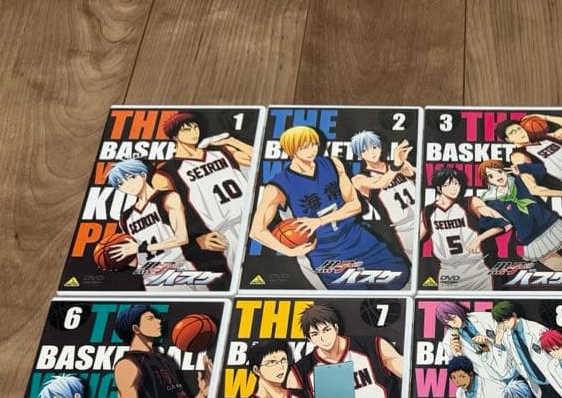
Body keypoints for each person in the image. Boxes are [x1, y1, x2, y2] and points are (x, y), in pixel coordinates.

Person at [250, 125, 408, 290]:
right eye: (304, 147)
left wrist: (320, 221)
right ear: (291, 150)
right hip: (326, 252)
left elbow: (355, 205)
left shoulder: (333, 163)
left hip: (356, 236)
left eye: (314, 144)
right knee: (357, 299)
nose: (312, 150)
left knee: (400, 278)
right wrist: (288, 251)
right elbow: (256, 230)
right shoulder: (278, 186)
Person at [152, 111, 254, 274]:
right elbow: (167, 218)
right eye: (187, 129)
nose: (194, 132)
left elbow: (257, 159)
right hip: (223, 232)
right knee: (244, 277)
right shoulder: (166, 173)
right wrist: (196, 241)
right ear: (175, 136)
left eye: (195, 127)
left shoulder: (220, 150)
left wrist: (232, 140)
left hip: (253, 219)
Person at [471, 159, 562, 286]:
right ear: (487, 181)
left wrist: (522, 168)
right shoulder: (493, 201)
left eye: (499, 171)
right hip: (532, 239)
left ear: (504, 171)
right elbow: (503, 225)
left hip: (551, 225)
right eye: (491, 176)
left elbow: (541, 170)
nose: (497, 176)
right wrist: (480, 237)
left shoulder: (518, 180)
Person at [107, 159, 201, 289]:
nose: (127, 185)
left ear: (143, 175)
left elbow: (182, 238)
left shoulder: (168, 197)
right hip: (150, 277)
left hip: (179, 268)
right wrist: (116, 258)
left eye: (131, 178)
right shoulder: (125, 217)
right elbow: (134, 257)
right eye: (121, 184)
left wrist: (142, 248)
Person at [419, 166, 493, 290]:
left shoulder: (471, 202)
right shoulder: (429, 211)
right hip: (448, 271)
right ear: (439, 188)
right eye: (448, 184)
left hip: (476, 270)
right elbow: (416, 239)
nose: (454, 188)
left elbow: (501, 222)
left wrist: (479, 238)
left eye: (456, 184)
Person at [349, 130, 417, 256]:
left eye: (374, 147)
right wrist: (397, 166)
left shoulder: (397, 164)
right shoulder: (359, 179)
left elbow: (419, 175)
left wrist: (408, 169)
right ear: (359, 155)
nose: (372, 152)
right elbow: (381, 183)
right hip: (402, 227)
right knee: (415, 260)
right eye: (365, 150)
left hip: (423, 217)